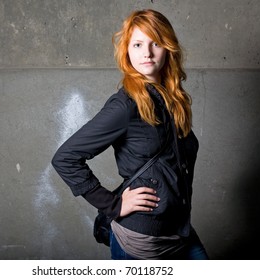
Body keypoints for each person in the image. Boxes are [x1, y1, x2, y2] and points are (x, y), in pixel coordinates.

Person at [52, 9, 208, 260]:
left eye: (155, 43)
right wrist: (114, 205)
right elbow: (65, 157)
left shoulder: (174, 100)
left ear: (168, 48)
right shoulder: (125, 105)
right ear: (127, 51)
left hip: (179, 229)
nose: (146, 53)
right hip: (143, 239)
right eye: (137, 44)